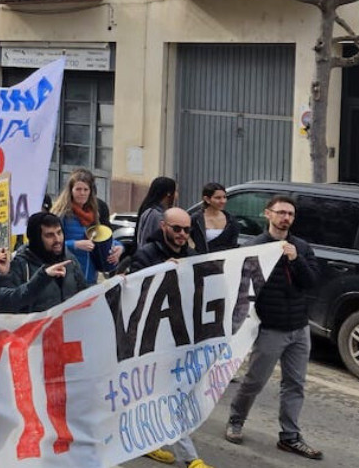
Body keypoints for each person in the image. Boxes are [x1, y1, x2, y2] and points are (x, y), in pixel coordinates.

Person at [225, 196, 322, 460]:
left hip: (299, 329)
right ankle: (236, 420)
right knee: (254, 381)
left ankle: (290, 436)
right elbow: (241, 287)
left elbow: (311, 281)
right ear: (268, 214)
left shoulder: (301, 247)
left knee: (295, 384)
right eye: (281, 212)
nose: (286, 218)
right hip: (270, 329)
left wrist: (295, 259)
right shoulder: (255, 247)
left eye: (290, 214)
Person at [122, 207, 216, 468]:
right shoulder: (146, 254)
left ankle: (148, 441)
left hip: (180, 336)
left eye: (187, 229)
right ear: (163, 226)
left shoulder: (192, 257)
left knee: (165, 395)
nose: (182, 234)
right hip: (152, 338)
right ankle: (191, 458)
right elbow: (135, 292)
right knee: (168, 397)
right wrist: (162, 272)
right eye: (177, 228)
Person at [0, 211, 89, 312]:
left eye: (59, 233)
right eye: (49, 235)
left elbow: (84, 296)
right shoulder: (21, 264)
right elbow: (4, 304)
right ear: (36, 238)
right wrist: (3, 276)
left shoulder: (69, 259)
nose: (57, 239)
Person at [50, 171, 122, 284]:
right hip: (68, 278)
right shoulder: (61, 214)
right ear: (71, 191)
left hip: (91, 277)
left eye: (85, 189)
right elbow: (51, 245)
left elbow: (103, 237)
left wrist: (119, 247)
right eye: (78, 189)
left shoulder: (94, 213)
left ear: (90, 192)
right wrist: (76, 244)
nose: (82, 193)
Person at [191, 182, 240, 254]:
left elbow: (233, 246)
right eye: (218, 198)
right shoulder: (196, 220)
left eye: (224, 197)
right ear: (207, 199)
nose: (223, 201)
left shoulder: (231, 221)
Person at [134, 176, 177, 253]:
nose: (177, 195)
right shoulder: (154, 214)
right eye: (175, 191)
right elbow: (146, 241)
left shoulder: (158, 212)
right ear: (169, 193)